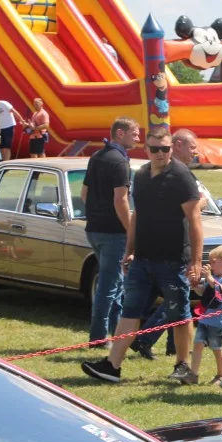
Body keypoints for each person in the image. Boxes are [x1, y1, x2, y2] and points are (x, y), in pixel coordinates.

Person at [81, 128, 202, 383]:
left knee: (179, 314)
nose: (160, 153)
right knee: (130, 311)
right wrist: (129, 251)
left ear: (172, 148)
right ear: (145, 149)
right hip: (142, 259)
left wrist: (196, 262)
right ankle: (112, 366)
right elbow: (137, 215)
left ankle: (183, 365)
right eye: (155, 148)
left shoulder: (181, 176)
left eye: (165, 149)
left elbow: (194, 220)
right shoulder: (142, 174)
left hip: (173, 259)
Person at [130, 128, 212, 362]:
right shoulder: (167, 174)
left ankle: (170, 349)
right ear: (177, 145)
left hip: (177, 250)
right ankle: (147, 340)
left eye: (162, 149)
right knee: (175, 305)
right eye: (191, 146)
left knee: (176, 304)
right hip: (166, 253)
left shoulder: (183, 173)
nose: (195, 151)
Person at [82, 118, 138, 344]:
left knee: (115, 283)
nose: (138, 138)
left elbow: (84, 194)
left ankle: (118, 332)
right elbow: (121, 200)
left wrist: (95, 214)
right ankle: (98, 337)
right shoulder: (120, 162)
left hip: (93, 229)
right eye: (135, 134)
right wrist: (130, 228)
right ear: (120, 133)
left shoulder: (96, 157)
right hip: (114, 232)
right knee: (107, 285)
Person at [182, 245, 222, 386]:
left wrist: (210, 278)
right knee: (198, 344)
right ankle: (193, 374)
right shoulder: (214, 277)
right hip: (205, 319)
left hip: (218, 322)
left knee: (216, 348)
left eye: (213, 262)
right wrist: (194, 285)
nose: (210, 265)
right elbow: (202, 292)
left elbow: (221, 291)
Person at [0, 96, 24, 161]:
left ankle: (7, 162)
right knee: (1, 147)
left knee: (7, 147)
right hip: (0, 128)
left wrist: (22, 120)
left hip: (8, 126)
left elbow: (14, 111)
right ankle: (4, 162)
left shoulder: (4, 103)